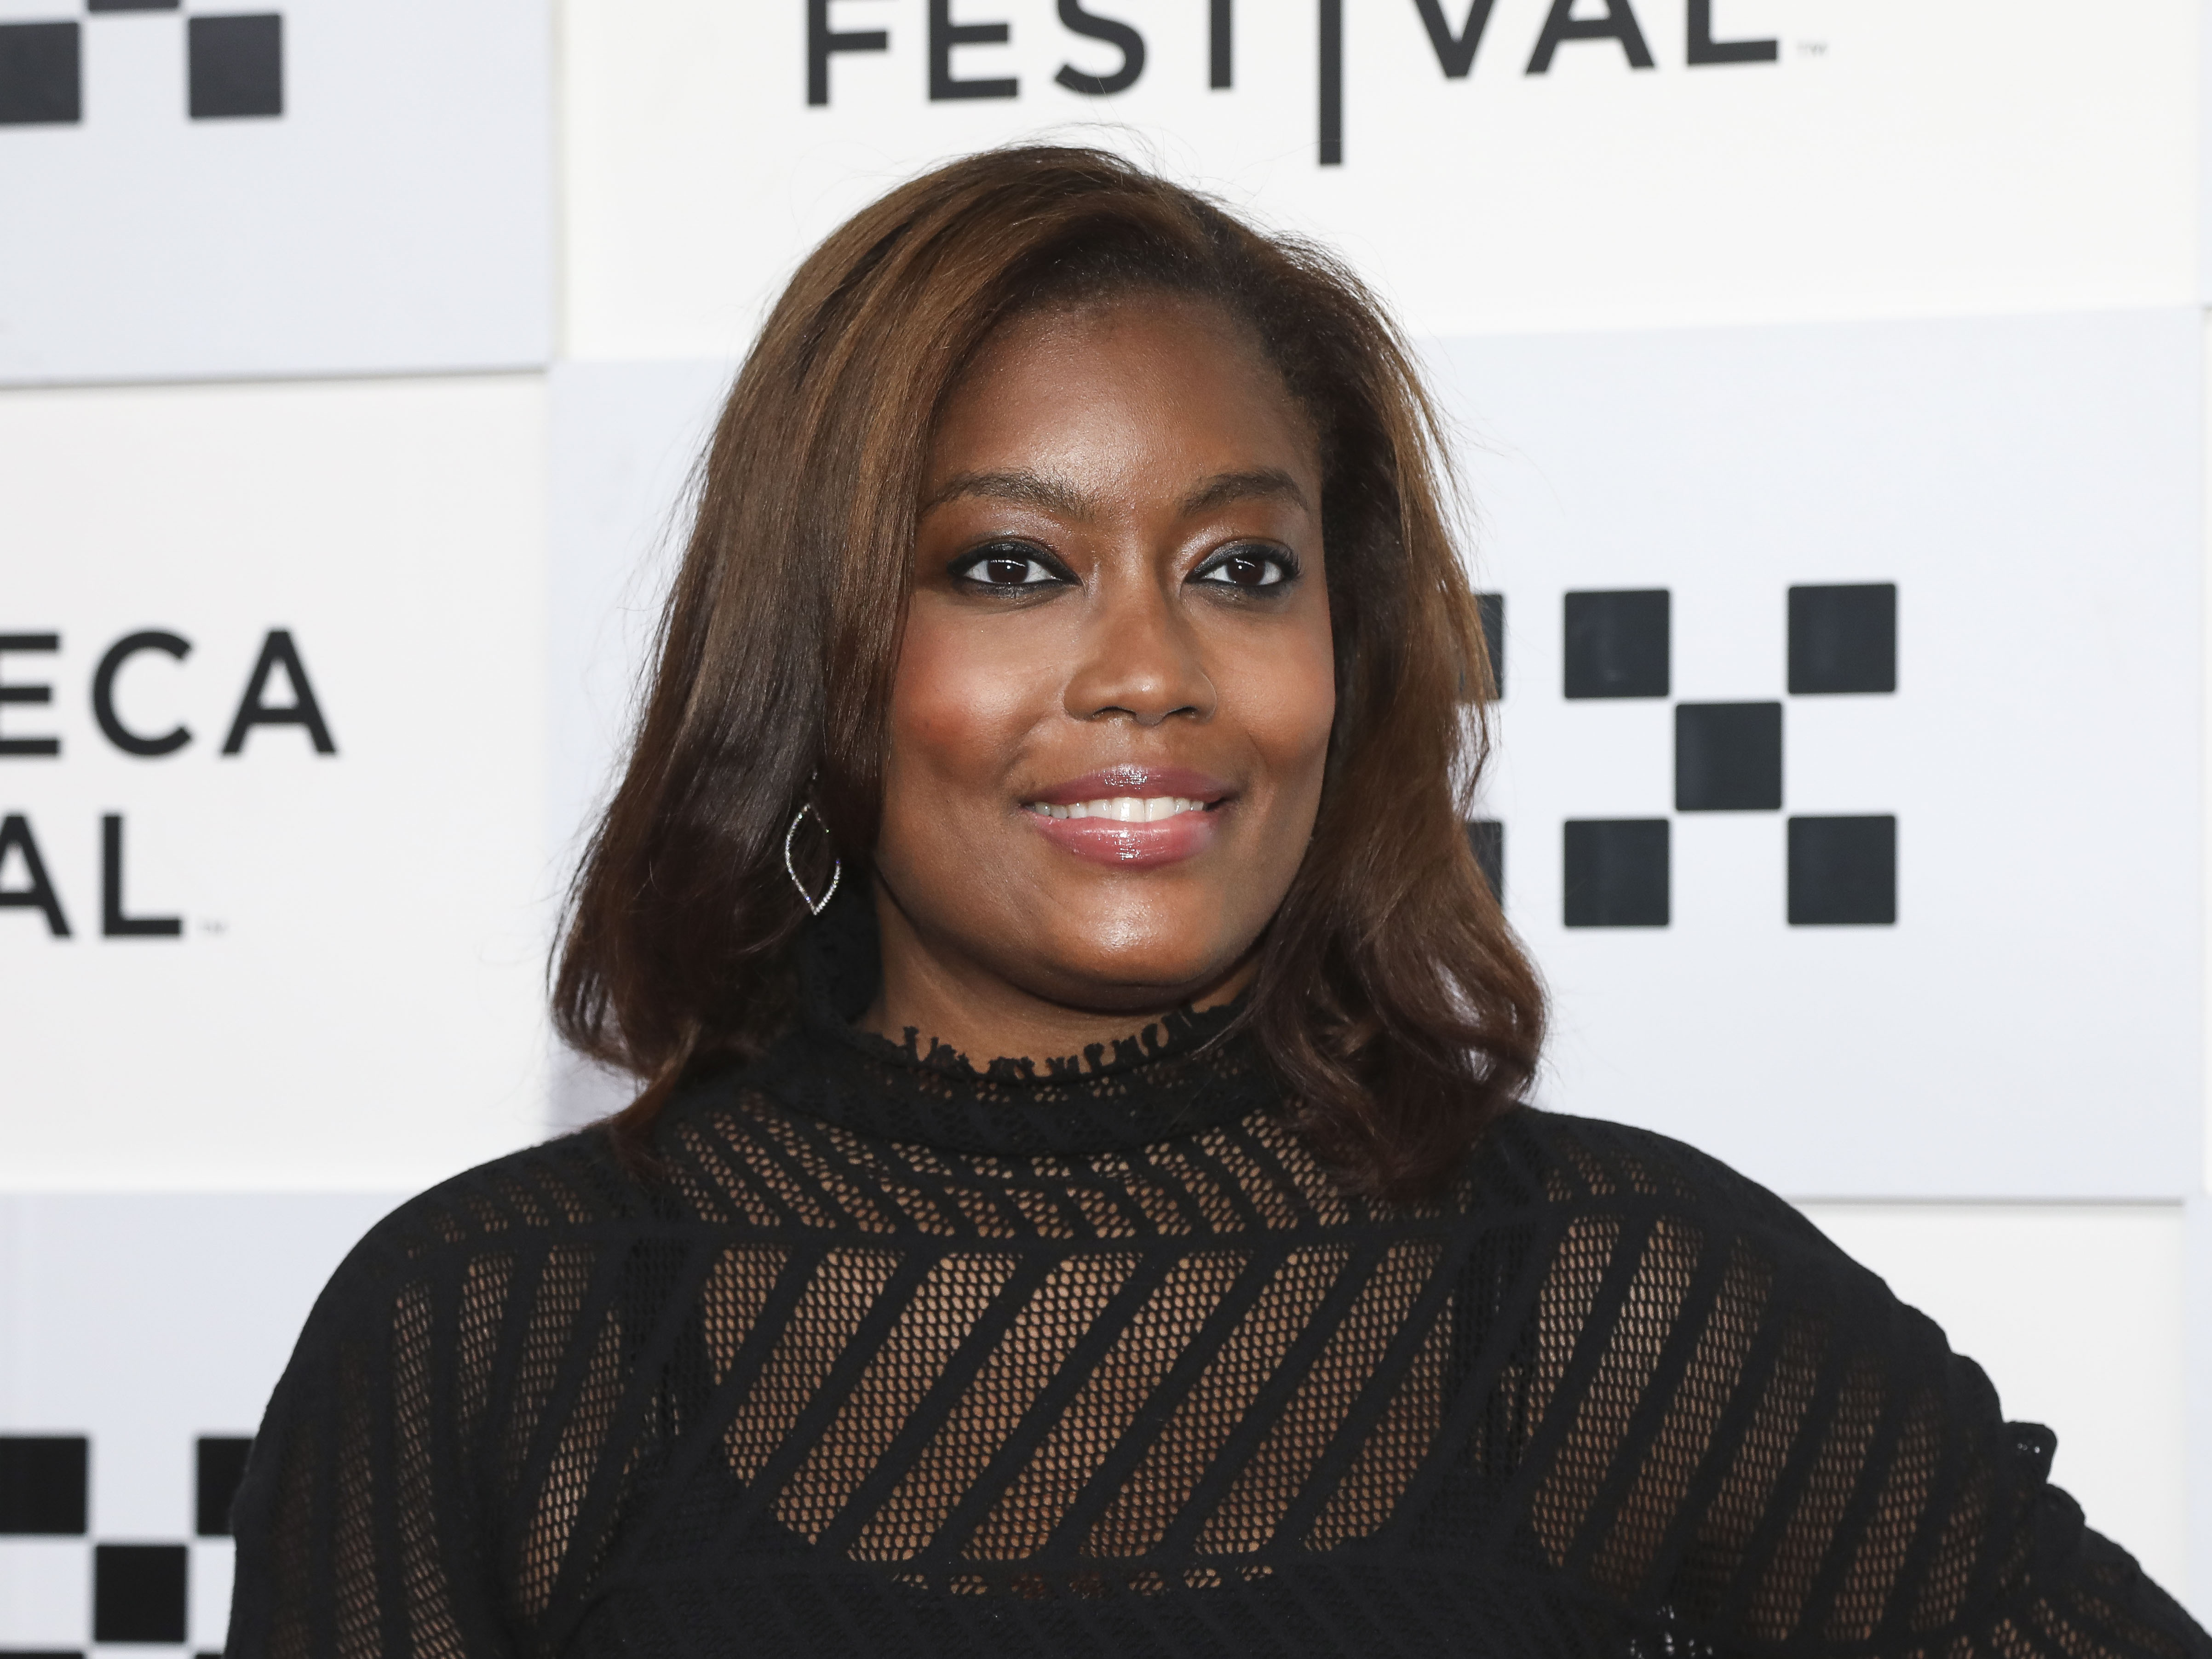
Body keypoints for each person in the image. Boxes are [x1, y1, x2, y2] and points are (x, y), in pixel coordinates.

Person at [224, 147, 2208, 1659]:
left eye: (1244, 570)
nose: (1151, 667)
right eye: (1015, 567)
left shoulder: (1606, 1296)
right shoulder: (493, 1332)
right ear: (821, 646)